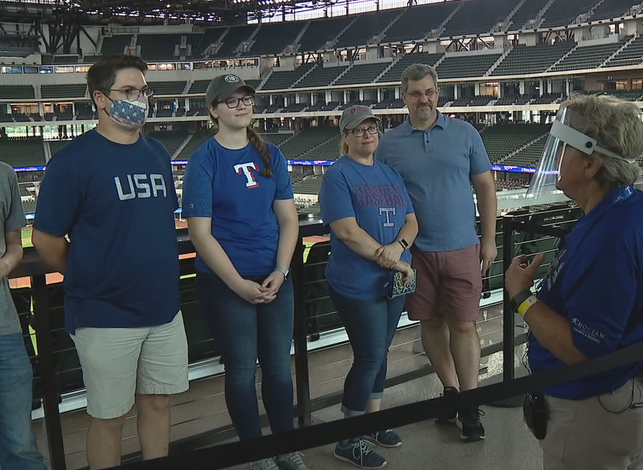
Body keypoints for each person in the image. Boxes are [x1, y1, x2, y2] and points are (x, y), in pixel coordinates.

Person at [31, 54, 189, 469]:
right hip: (103, 314)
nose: (140, 99)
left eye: (144, 91)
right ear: (101, 99)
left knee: (157, 404)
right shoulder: (73, 161)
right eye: (129, 91)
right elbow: (45, 238)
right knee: (109, 417)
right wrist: (86, 273)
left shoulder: (156, 152)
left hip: (163, 309)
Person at [504, 94, 643, 469]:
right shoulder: (633, 208)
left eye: (563, 147)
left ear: (591, 164)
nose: (555, 157)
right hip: (627, 399)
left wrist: (522, 297)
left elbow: (583, 349)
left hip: (596, 410)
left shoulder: (609, 238)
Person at [182, 74, 309, 470]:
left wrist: (281, 270)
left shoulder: (271, 153)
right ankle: (256, 454)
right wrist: (238, 284)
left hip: (273, 276)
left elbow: (289, 220)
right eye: (231, 100)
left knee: (276, 366)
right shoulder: (204, 159)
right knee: (240, 370)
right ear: (213, 110)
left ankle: (286, 446)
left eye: (247, 99)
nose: (241, 105)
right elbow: (200, 234)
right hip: (225, 282)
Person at [376, 64, 497, 442]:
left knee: (464, 324)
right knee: (429, 324)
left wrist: (489, 239)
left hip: (463, 246)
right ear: (404, 97)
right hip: (415, 254)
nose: (423, 99)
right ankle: (451, 391)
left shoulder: (465, 133)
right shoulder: (389, 143)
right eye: (415, 93)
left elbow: (486, 189)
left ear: (438, 93)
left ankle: (470, 401)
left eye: (428, 91)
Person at [319, 105, 418, 469]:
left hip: (391, 279)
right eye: (358, 129)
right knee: (369, 356)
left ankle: (372, 423)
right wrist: (392, 258)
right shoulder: (338, 176)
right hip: (356, 283)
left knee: (382, 352)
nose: (367, 134)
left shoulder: (390, 174)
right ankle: (348, 438)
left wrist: (398, 249)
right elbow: (346, 231)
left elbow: (411, 221)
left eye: (372, 127)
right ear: (345, 136)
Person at [0, 159, 48, 470]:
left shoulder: (0, 174)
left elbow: (14, 246)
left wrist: (3, 266)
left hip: (0, 331)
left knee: (22, 451)